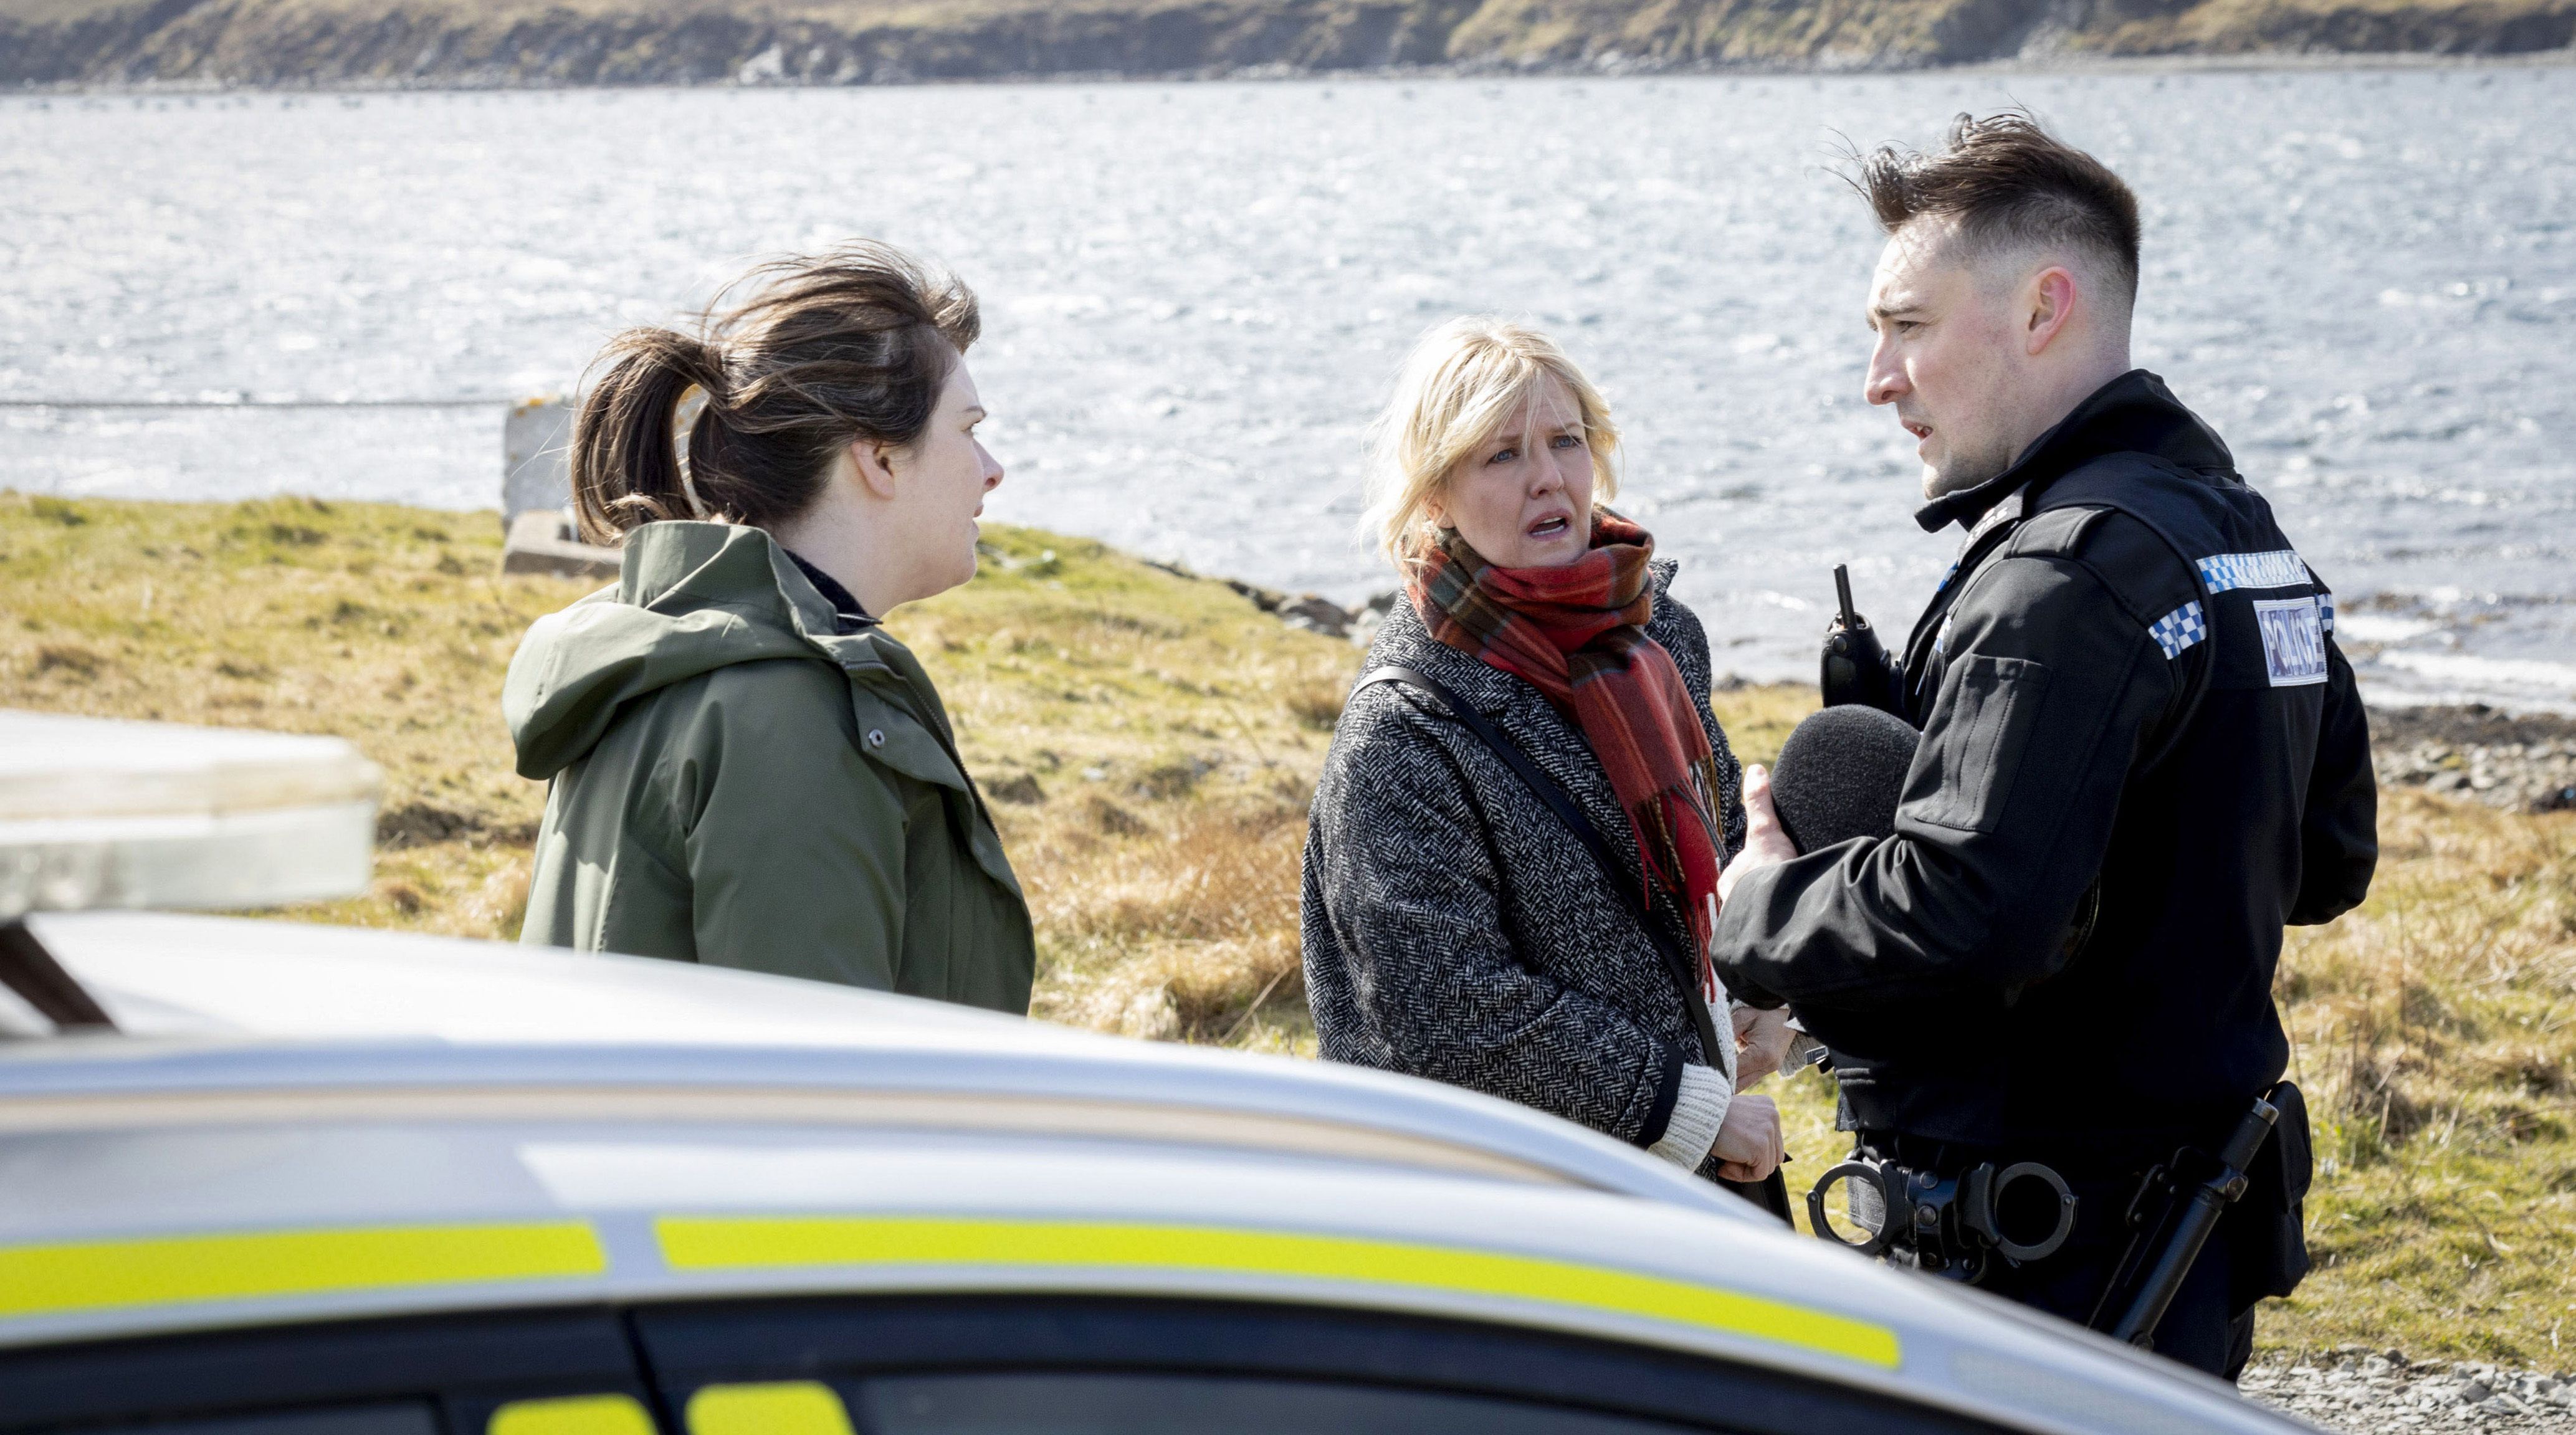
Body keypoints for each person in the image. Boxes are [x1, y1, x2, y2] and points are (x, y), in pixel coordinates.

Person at [1708, 114, 2378, 1375]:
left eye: (1906, 326)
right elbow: (2327, 857)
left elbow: (1973, 907)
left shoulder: (2060, 580)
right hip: (2180, 1256)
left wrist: (1755, 905)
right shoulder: (2248, 542)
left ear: (2042, 307)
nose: (1878, 378)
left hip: (2035, 1269)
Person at [1304, 317, 1793, 1197]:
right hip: (1507, 1213)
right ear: (1434, 495)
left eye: (1566, 440)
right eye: (1501, 454)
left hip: (1699, 1172)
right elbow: (1446, 1009)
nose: (1547, 477)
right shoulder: (1403, 730)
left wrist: (1756, 988)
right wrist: (1681, 1108)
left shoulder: (1657, 637)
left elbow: (1706, 863)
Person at [505, 241, 1036, 1014]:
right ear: (880, 460)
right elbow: (815, 1067)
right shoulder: (787, 717)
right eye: (968, 428)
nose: (992, 468)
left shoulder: (665, 645)